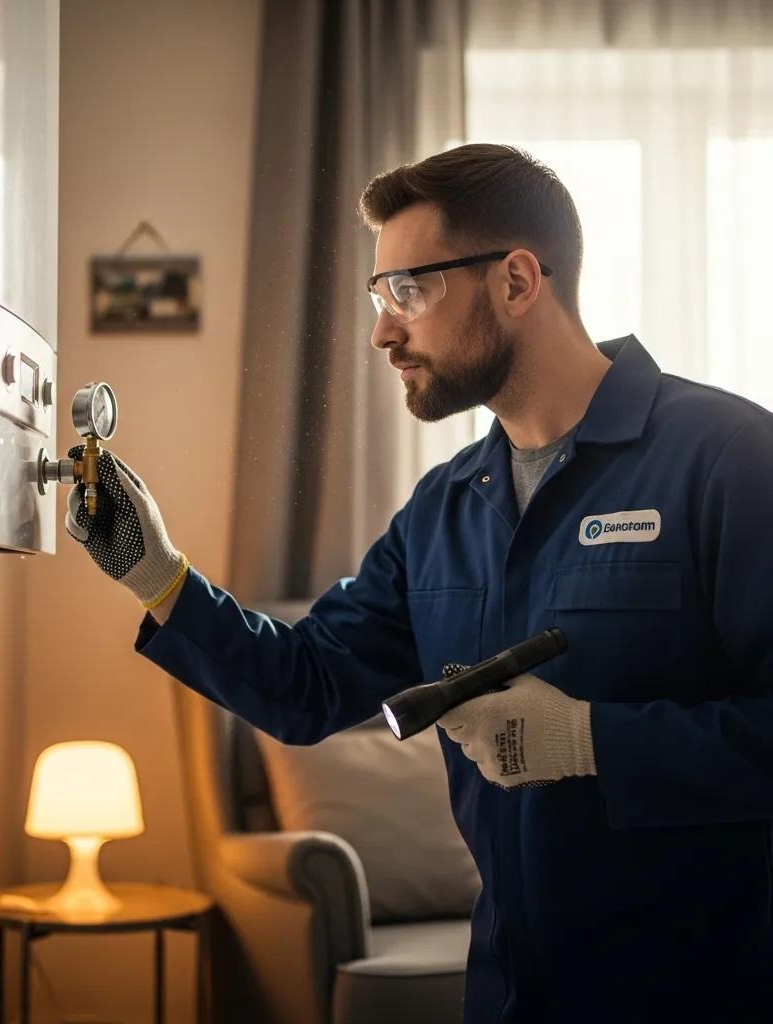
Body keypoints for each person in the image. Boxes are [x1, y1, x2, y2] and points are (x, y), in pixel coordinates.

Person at [64, 143, 773, 1023]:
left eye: (410, 290)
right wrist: (158, 576)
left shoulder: (730, 457)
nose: (382, 332)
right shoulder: (445, 507)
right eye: (379, 295)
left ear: (517, 280)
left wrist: (594, 742)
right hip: (512, 994)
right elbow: (308, 686)